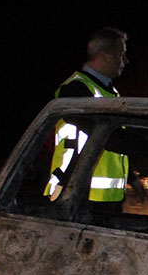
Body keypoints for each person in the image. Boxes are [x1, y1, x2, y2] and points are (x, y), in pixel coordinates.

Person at [45, 27, 130, 202]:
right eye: (121, 55)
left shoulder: (111, 92)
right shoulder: (74, 90)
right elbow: (102, 133)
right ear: (105, 56)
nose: (125, 60)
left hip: (102, 198)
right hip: (72, 193)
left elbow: (114, 146)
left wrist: (133, 178)